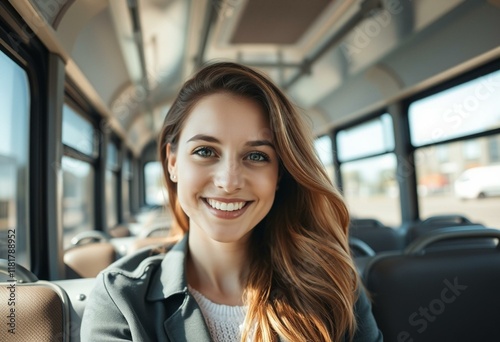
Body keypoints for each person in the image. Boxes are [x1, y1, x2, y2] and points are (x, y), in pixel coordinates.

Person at [81, 62, 382, 341]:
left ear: (280, 174)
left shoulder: (332, 284)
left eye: (256, 156)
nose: (228, 182)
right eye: (205, 151)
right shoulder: (121, 299)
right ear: (172, 162)